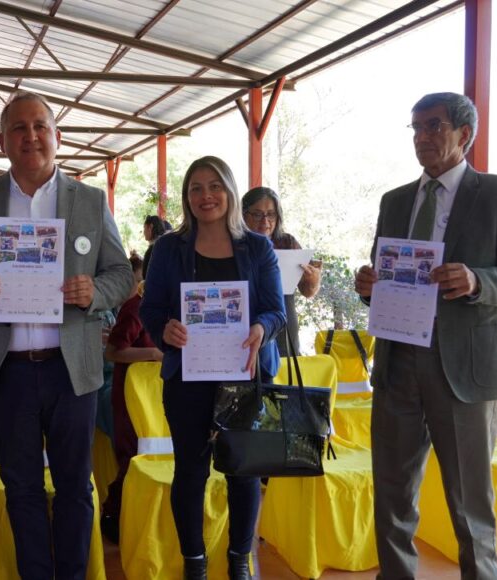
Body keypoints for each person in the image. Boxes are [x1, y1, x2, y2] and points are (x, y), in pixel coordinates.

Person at [0, 90, 131, 579]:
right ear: (2, 141)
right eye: (18, 128)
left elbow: (121, 274)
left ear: (57, 137)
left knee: (75, 487)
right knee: (20, 487)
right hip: (9, 372)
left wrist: (94, 292)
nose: (31, 136)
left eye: (40, 126)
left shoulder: (90, 200)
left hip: (71, 370)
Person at [354, 92, 497, 580]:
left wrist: (477, 281)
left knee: (469, 503)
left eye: (433, 126)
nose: (422, 137)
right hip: (397, 362)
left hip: (464, 371)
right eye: (416, 128)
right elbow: (387, 278)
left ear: (465, 133)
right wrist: (369, 286)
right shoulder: (395, 200)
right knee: (392, 495)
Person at [139, 156, 285, 580]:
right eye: (196, 188)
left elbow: (276, 311)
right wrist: (164, 329)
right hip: (187, 380)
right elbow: (151, 309)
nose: (206, 196)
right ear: (187, 197)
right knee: (190, 472)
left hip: (244, 376)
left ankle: (240, 560)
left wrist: (261, 327)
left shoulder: (257, 247)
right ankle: (195, 563)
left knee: (243, 473)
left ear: (230, 191)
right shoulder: (168, 249)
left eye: (215, 186)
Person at [100, 253, 162, 543]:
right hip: (130, 396)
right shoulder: (137, 306)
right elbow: (113, 352)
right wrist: (154, 354)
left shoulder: (174, 304)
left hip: (159, 395)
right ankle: (114, 515)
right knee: (133, 457)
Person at [241, 186, 321, 355]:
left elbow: (308, 292)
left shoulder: (286, 242)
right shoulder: (235, 243)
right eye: (257, 214)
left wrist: (313, 280)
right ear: (243, 215)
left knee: (286, 366)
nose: (265, 221)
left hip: (283, 319)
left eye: (271, 214)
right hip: (245, 317)